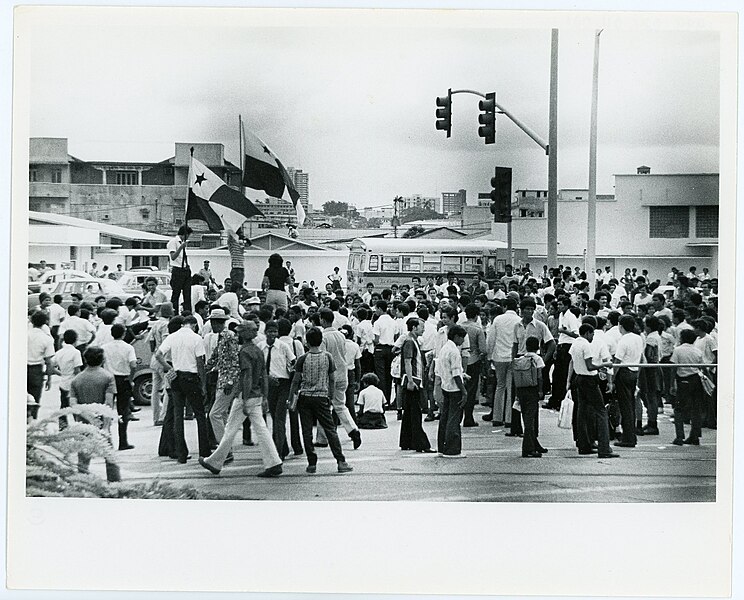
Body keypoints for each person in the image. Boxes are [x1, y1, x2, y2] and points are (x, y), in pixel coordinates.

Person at [199, 320, 284, 478]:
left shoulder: (244, 352)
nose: (237, 334)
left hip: (245, 396)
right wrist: (264, 396)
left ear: (245, 334)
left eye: (239, 332)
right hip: (257, 395)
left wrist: (244, 398)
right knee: (262, 430)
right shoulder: (258, 350)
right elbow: (264, 374)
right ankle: (274, 462)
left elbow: (246, 376)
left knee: (230, 430)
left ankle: (215, 462)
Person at [288, 327, 353, 474]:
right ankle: (341, 461)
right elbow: (332, 379)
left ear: (307, 342)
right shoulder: (328, 357)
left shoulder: (302, 359)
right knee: (330, 429)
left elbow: (296, 381)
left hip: (305, 397)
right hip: (322, 397)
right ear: (321, 341)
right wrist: (329, 395)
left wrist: (291, 398)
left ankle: (312, 463)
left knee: (306, 431)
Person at [154, 314, 210, 463]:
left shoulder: (173, 337)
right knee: (199, 414)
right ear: (194, 325)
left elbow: (158, 354)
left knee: (178, 416)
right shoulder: (197, 338)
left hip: (176, 378)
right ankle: (204, 451)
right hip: (191, 378)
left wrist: (169, 368)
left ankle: (181, 454)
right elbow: (200, 362)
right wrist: (203, 384)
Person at [68, 346, 121, 482]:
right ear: (102, 359)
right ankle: (115, 485)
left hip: (83, 426)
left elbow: (73, 406)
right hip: (102, 423)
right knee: (110, 457)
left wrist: (83, 420)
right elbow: (108, 404)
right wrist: (106, 426)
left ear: (85, 360)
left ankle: (82, 483)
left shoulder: (76, 380)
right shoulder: (108, 377)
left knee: (83, 459)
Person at [568, 324, 619, 459]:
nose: (592, 337)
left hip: (579, 378)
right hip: (590, 380)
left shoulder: (575, 344)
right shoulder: (585, 345)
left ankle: (583, 445)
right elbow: (590, 366)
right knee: (601, 412)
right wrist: (605, 365)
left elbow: (573, 362)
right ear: (587, 333)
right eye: (592, 334)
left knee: (582, 412)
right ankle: (604, 449)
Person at [259, 320, 295, 461]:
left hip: (283, 384)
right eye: (270, 331)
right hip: (269, 384)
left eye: (275, 331)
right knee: (274, 416)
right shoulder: (260, 347)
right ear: (265, 332)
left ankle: (278, 452)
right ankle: (283, 447)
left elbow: (292, 362)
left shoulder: (283, 346)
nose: (272, 334)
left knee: (279, 418)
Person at [399, 318, 434, 453]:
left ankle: (407, 441)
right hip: (413, 381)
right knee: (415, 413)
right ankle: (421, 444)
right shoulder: (409, 342)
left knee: (409, 412)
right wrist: (410, 381)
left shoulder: (412, 341)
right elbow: (407, 362)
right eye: (421, 326)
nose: (423, 329)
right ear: (414, 328)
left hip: (414, 380)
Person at [102, 324, 137, 451]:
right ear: (123, 334)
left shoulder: (104, 347)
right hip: (123, 379)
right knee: (123, 411)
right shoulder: (128, 347)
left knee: (106, 410)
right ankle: (123, 441)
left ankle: (106, 441)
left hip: (108, 379)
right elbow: (133, 365)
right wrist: (131, 378)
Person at [613, 314, 644, 448]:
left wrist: (612, 379)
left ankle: (628, 438)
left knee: (625, 407)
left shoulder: (623, 340)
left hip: (624, 371)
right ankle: (631, 436)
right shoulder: (638, 338)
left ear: (621, 326)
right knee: (630, 405)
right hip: (634, 371)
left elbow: (617, 361)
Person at [512, 336, 547, 457]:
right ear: (538, 347)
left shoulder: (520, 359)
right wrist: (541, 391)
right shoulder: (537, 359)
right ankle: (528, 449)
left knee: (526, 417)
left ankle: (535, 444)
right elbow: (540, 377)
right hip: (532, 390)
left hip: (521, 390)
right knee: (530, 420)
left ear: (526, 346)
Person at [437, 325, 468, 457]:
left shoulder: (444, 348)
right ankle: (452, 449)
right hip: (455, 388)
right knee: (454, 419)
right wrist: (464, 391)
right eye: (462, 338)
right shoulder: (454, 351)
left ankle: (442, 447)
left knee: (445, 418)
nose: (463, 341)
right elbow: (455, 373)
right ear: (456, 337)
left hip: (445, 386)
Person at [670, 328, 705, 445]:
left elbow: (674, 367)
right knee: (696, 409)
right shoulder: (697, 351)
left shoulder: (678, 350)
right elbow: (702, 366)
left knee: (679, 409)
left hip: (683, 380)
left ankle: (679, 437)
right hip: (696, 380)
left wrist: (671, 384)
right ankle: (695, 436)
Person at [147, 302, 174, 426]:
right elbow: (166, 343)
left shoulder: (155, 324)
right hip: (164, 359)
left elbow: (151, 342)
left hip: (154, 358)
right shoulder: (166, 325)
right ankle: (163, 416)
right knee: (168, 388)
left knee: (155, 389)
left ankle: (155, 417)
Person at [460, 304, 487, 427]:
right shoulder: (478, 329)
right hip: (474, 360)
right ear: (476, 316)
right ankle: (468, 417)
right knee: (471, 391)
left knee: (460, 389)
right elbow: (483, 348)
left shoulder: (459, 327)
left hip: (460, 360)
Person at [52, 329, 83, 430]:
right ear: (76, 339)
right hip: (73, 382)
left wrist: (61, 374)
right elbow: (77, 369)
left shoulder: (59, 352)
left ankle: (62, 426)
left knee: (64, 406)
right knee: (76, 406)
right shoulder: (76, 352)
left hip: (63, 381)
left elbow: (51, 367)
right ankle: (79, 426)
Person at [27, 310, 55, 419]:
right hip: (36, 370)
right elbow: (49, 361)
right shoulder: (46, 339)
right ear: (45, 322)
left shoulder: (24, 334)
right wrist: (49, 378)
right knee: (35, 399)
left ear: (31, 321)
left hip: (21, 368)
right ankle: (32, 423)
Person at [372, 300, 397, 405]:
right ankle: (388, 398)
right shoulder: (393, 321)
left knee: (380, 375)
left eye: (376, 309)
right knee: (389, 375)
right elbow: (395, 336)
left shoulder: (377, 322)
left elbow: (376, 339)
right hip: (390, 349)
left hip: (380, 348)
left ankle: (383, 401)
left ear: (379, 309)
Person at [167, 224, 193, 314]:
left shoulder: (182, 243)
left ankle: (187, 312)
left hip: (185, 269)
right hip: (178, 270)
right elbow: (173, 257)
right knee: (176, 294)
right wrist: (181, 248)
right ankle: (175, 313)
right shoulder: (173, 242)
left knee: (187, 294)